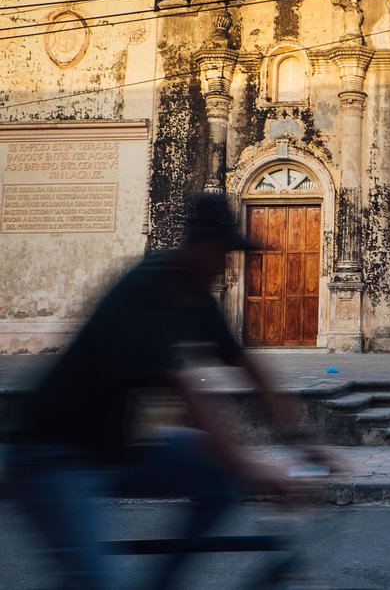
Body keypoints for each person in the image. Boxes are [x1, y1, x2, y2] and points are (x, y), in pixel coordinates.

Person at [5, 193, 322, 590]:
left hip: (123, 445)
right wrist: (252, 466)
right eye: (222, 254)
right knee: (96, 581)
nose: (225, 268)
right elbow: (187, 393)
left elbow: (248, 367)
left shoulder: (195, 295)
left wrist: (303, 438)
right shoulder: (144, 288)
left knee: (222, 482)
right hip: (57, 456)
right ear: (199, 244)